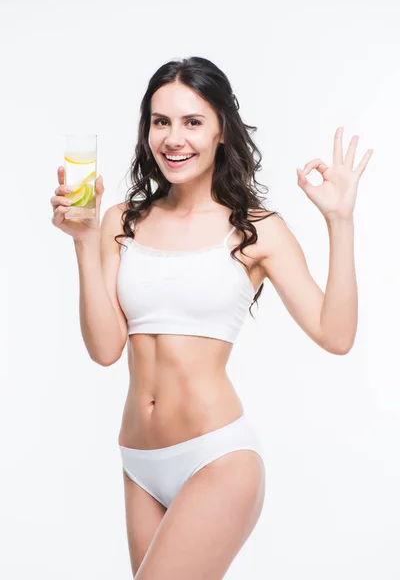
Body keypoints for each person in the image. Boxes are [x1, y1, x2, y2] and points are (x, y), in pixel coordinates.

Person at [50, 56, 373, 580]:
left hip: (217, 458)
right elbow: (106, 349)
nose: (174, 138)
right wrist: (85, 245)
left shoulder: (256, 230)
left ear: (222, 129)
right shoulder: (120, 221)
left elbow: (336, 335)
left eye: (192, 122)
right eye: (161, 122)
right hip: (139, 462)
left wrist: (340, 221)